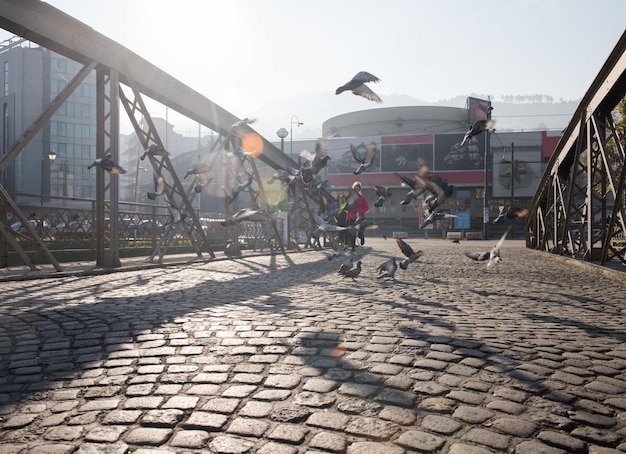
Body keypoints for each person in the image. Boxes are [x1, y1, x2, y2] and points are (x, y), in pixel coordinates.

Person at [345, 181, 369, 251]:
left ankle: (361, 236)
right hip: (351, 218)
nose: (356, 190)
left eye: (357, 189)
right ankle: (353, 248)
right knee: (352, 233)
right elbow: (347, 208)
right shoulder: (350, 198)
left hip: (360, 218)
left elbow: (366, 208)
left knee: (359, 232)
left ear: (359, 189)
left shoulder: (362, 198)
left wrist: (359, 211)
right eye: (354, 189)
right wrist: (347, 217)